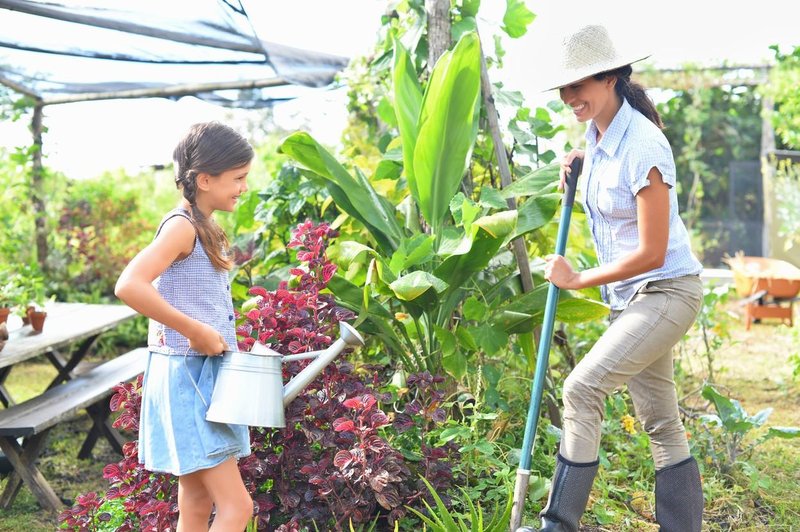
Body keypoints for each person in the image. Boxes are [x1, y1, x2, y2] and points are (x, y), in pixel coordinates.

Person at [538, 24, 704, 532]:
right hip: (634, 301)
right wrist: (578, 164)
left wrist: (578, 278)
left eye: (578, 85)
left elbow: (653, 252)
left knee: (581, 389)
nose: (570, 98)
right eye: (564, 88)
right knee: (660, 421)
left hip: (667, 292)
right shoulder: (600, 137)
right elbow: (603, 167)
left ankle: (556, 525)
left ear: (609, 78)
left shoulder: (645, 146)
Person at [115, 122, 255, 531]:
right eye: (239, 178)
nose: (244, 187)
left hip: (196, 374)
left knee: (195, 502)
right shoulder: (181, 226)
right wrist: (194, 330)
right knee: (237, 507)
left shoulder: (205, 224)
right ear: (205, 179)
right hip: (187, 377)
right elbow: (129, 285)